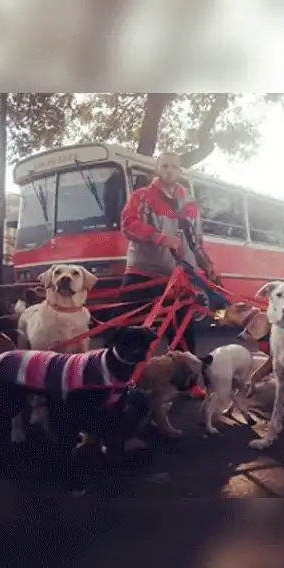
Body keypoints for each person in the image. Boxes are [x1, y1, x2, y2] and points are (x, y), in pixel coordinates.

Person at [120, 152, 222, 396]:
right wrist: (159, 237)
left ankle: (189, 383)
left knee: (183, 332)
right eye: (164, 166)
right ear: (157, 170)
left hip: (178, 279)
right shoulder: (142, 196)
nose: (169, 171)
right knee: (131, 329)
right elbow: (128, 224)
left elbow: (196, 242)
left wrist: (207, 265)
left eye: (173, 167)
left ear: (180, 171)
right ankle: (122, 381)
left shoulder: (190, 204)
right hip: (143, 273)